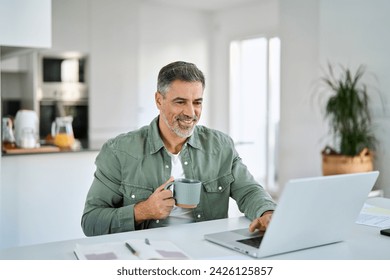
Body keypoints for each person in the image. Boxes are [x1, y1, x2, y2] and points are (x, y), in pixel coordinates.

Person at [81, 61, 276, 236]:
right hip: (147, 256)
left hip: (206, 252)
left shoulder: (221, 146)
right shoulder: (119, 152)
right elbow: (91, 222)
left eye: (197, 102)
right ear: (159, 100)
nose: (191, 113)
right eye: (180, 102)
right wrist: (142, 211)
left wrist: (267, 213)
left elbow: (249, 191)